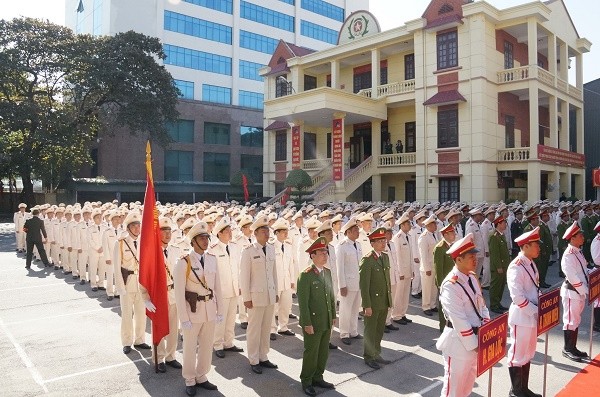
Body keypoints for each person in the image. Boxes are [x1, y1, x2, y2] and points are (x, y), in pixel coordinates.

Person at [436, 233, 490, 397]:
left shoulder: (472, 277)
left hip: (476, 340)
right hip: (459, 343)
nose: (475, 259)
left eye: (475, 255)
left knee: (466, 387)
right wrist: (475, 345)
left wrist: (487, 328)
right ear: (458, 259)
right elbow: (459, 320)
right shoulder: (450, 285)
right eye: (471, 256)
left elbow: (482, 306)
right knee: (453, 389)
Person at [174, 221, 223, 396]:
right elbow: (179, 293)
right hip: (192, 311)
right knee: (189, 347)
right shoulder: (183, 262)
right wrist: (183, 318)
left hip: (209, 309)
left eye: (206, 238)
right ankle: (189, 378)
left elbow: (218, 287)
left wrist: (220, 311)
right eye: (201, 238)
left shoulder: (212, 259)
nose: (205, 241)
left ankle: (201, 375)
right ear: (193, 241)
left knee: (206, 345)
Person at [142, 217, 182, 373]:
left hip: (173, 293)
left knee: (173, 328)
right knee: (159, 327)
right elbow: (144, 276)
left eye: (169, 231)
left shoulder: (175, 250)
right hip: (158, 295)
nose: (167, 234)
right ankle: (159, 358)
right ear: (157, 233)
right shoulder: (152, 253)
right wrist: (146, 298)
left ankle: (171, 356)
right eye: (163, 231)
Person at [239, 216, 279, 374]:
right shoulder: (248, 251)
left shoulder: (271, 248)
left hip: (269, 295)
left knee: (266, 327)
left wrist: (275, 291)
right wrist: (246, 298)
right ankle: (254, 359)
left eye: (267, 230)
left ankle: (264, 356)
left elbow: (274, 273)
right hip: (255, 297)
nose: (267, 234)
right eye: (263, 231)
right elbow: (244, 276)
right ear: (255, 233)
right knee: (254, 329)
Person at [506, 227, 543, 397]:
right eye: (536, 245)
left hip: (532, 316)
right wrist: (537, 310)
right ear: (526, 246)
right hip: (522, 316)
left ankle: (523, 389)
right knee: (517, 354)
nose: (539, 248)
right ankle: (515, 390)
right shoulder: (516, 266)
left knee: (528, 353)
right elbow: (518, 297)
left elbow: (535, 288)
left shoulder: (530, 263)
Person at [297, 237, 336, 397]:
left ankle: (318, 377)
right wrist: (306, 323)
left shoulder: (327, 272)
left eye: (326, 252)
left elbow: (331, 296)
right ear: (312, 255)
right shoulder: (305, 275)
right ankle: (306, 381)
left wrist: (333, 315)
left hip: (326, 319)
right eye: (321, 252)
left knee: (323, 351)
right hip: (312, 321)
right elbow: (303, 302)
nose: (325, 255)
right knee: (311, 352)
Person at [113, 211, 150, 355]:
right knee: (127, 314)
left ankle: (140, 340)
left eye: (138, 225)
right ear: (128, 228)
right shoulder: (120, 243)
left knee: (141, 314)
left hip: (141, 283)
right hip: (127, 282)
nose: (136, 228)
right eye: (133, 226)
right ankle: (127, 341)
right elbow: (116, 266)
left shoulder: (144, 242)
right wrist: (120, 287)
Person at [209, 218, 244, 358]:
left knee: (231, 319)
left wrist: (240, 286)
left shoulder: (234, 246)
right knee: (220, 319)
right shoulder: (213, 250)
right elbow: (211, 273)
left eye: (230, 230)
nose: (230, 233)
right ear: (219, 233)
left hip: (234, 288)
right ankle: (217, 344)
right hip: (221, 291)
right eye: (227, 231)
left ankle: (229, 342)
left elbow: (238, 268)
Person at [359, 227, 393, 370]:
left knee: (379, 330)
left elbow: (387, 281)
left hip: (383, 301)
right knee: (370, 330)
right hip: (372, 302)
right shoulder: (367, 260)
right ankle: (368, 356)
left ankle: (376, 353)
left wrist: (389, 300)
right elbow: (364, 285)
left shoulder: (384, 257)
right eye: (379, 241)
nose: (383, 243)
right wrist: (366, 305)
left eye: (384, 240)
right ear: (372, 243)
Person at [560, 222, 590, 362]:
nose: (583, 237)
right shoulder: (568, 255)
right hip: (572, 292)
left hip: (578, 292)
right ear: (572, 238)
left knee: (576, 320)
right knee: (570, 321)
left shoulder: (577, 251)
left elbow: (583, 271)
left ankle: (573, 347)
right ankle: (567, 348)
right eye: (580, 235)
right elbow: (572, 277)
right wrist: (584, 290)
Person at [336, 217, 363, 345]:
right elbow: (339, 267)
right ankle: (344, 333)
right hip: (348, 283)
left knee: (355, 308)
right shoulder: (342, 246)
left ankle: (353, 331)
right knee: (345, 309)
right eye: (356, 230)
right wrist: (342, 285)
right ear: (349, 232)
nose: (358, 232)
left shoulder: (358, 244)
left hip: (358, 282)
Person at [433, 223, 456, 331]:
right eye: (452, 232)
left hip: (453, 281)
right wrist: (440, 285)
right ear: (445, 234)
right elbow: (439, 269)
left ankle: (451, 326)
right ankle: (443, 328)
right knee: (444, 307)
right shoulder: (440, 248)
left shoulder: (451, 245)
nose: (454, 234)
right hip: (445, 283)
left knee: (452, 306)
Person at [489, 215, 511, 314]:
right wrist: (498, 266)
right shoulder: (494, 236)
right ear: (498, 224)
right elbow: (495, 254)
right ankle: (494, 304)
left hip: (504, 266)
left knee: (501, 285)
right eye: (503, 223)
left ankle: (498, 303)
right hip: (498, 267)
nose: (505, 224)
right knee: (496, 285)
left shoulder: (501, 235)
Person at [418, 215, 438, 316]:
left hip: (434, 266)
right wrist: (427, 268)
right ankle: (426, 306)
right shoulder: (424, 237)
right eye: (434, 224)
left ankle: (433, 305)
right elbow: (423, 255)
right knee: (426, 288)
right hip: (427, 267)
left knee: (434, 287)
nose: (436, 225)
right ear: (429, 225)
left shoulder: (435, 235)